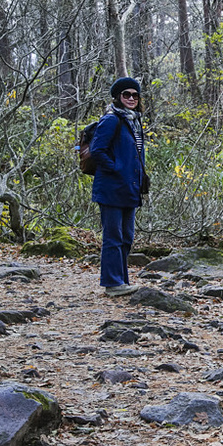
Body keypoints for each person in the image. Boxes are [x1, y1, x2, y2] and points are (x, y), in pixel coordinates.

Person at [90, 77, 148, 297]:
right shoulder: (112, 120)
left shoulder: (133, 121)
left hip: (129, 188)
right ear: (117, 97)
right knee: (113, 237)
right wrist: (116, 168)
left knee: (127, 237)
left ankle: (121, 280)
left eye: (135, 95)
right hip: (111, 188)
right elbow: (97, 151)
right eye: (126, 95)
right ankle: (113, 284)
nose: (131, 98)